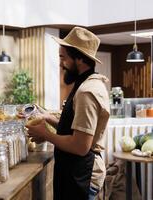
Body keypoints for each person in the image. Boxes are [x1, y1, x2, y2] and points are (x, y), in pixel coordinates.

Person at [26, 27, 110, 200]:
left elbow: (80, 146)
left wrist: (46, 134)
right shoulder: (84, 84)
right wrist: (49, 117)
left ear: (79, 58)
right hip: (74, 172)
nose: (60, 63)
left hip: (82, 176)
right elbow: (77, 129)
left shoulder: (87, 91)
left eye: (62, 57)